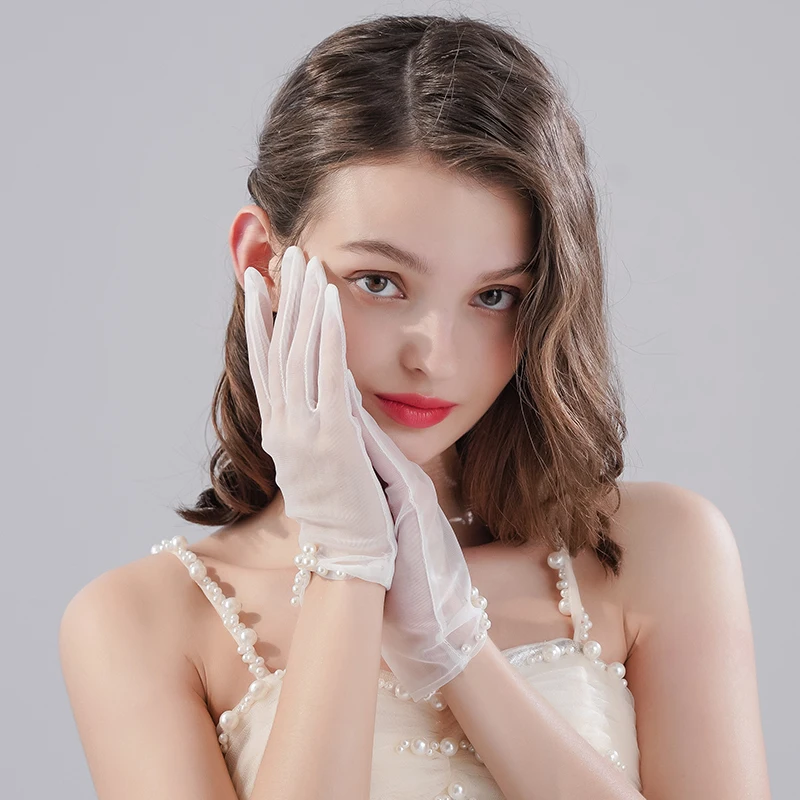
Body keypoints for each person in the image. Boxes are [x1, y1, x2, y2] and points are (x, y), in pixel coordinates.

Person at [58, 13, 771, 800]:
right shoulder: (139, 624)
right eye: (380, 282)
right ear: (264, 263)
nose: (434, 353)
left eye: (494, 296)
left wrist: (459, 653)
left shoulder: (658, 550)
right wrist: (346, 564)